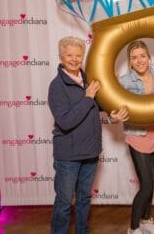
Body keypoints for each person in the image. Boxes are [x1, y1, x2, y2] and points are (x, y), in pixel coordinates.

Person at [48, 36, 128, 234]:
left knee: (84, 199)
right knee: (64, 202)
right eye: (69, 55)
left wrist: (113, 117)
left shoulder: (89, 81)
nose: (74, 59)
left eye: (78, 55)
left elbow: (98, 109)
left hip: (91, 152)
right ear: (61, 56)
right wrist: (88, 97)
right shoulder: (57, 86)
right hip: (68, 156)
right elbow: (65, 121)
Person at [119, 40, 154, 234]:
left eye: (143, 56)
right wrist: (114, 114)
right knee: (147, 185)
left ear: (149, 57)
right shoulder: (125, 81)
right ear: (130, 61)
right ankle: (133, 228)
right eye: (134, 57)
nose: (139, 60)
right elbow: (116, 107)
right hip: (137, 136)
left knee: (150, 183)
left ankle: (146, 220)